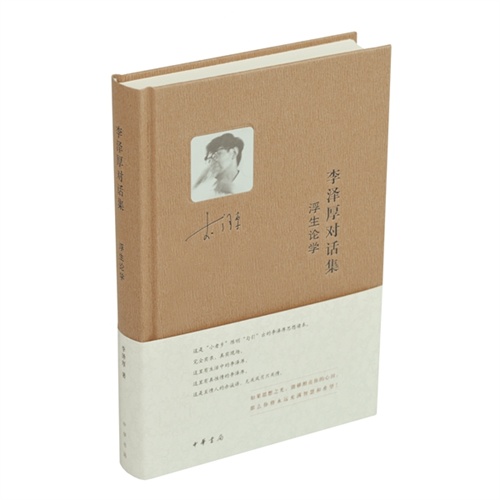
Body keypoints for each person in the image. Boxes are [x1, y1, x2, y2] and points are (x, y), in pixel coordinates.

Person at [193, 133, 245, 197]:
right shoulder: (206, 189)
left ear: (233, 153)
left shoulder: (248, 183)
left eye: (218, 153)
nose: (212, 161)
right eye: (209, 158)